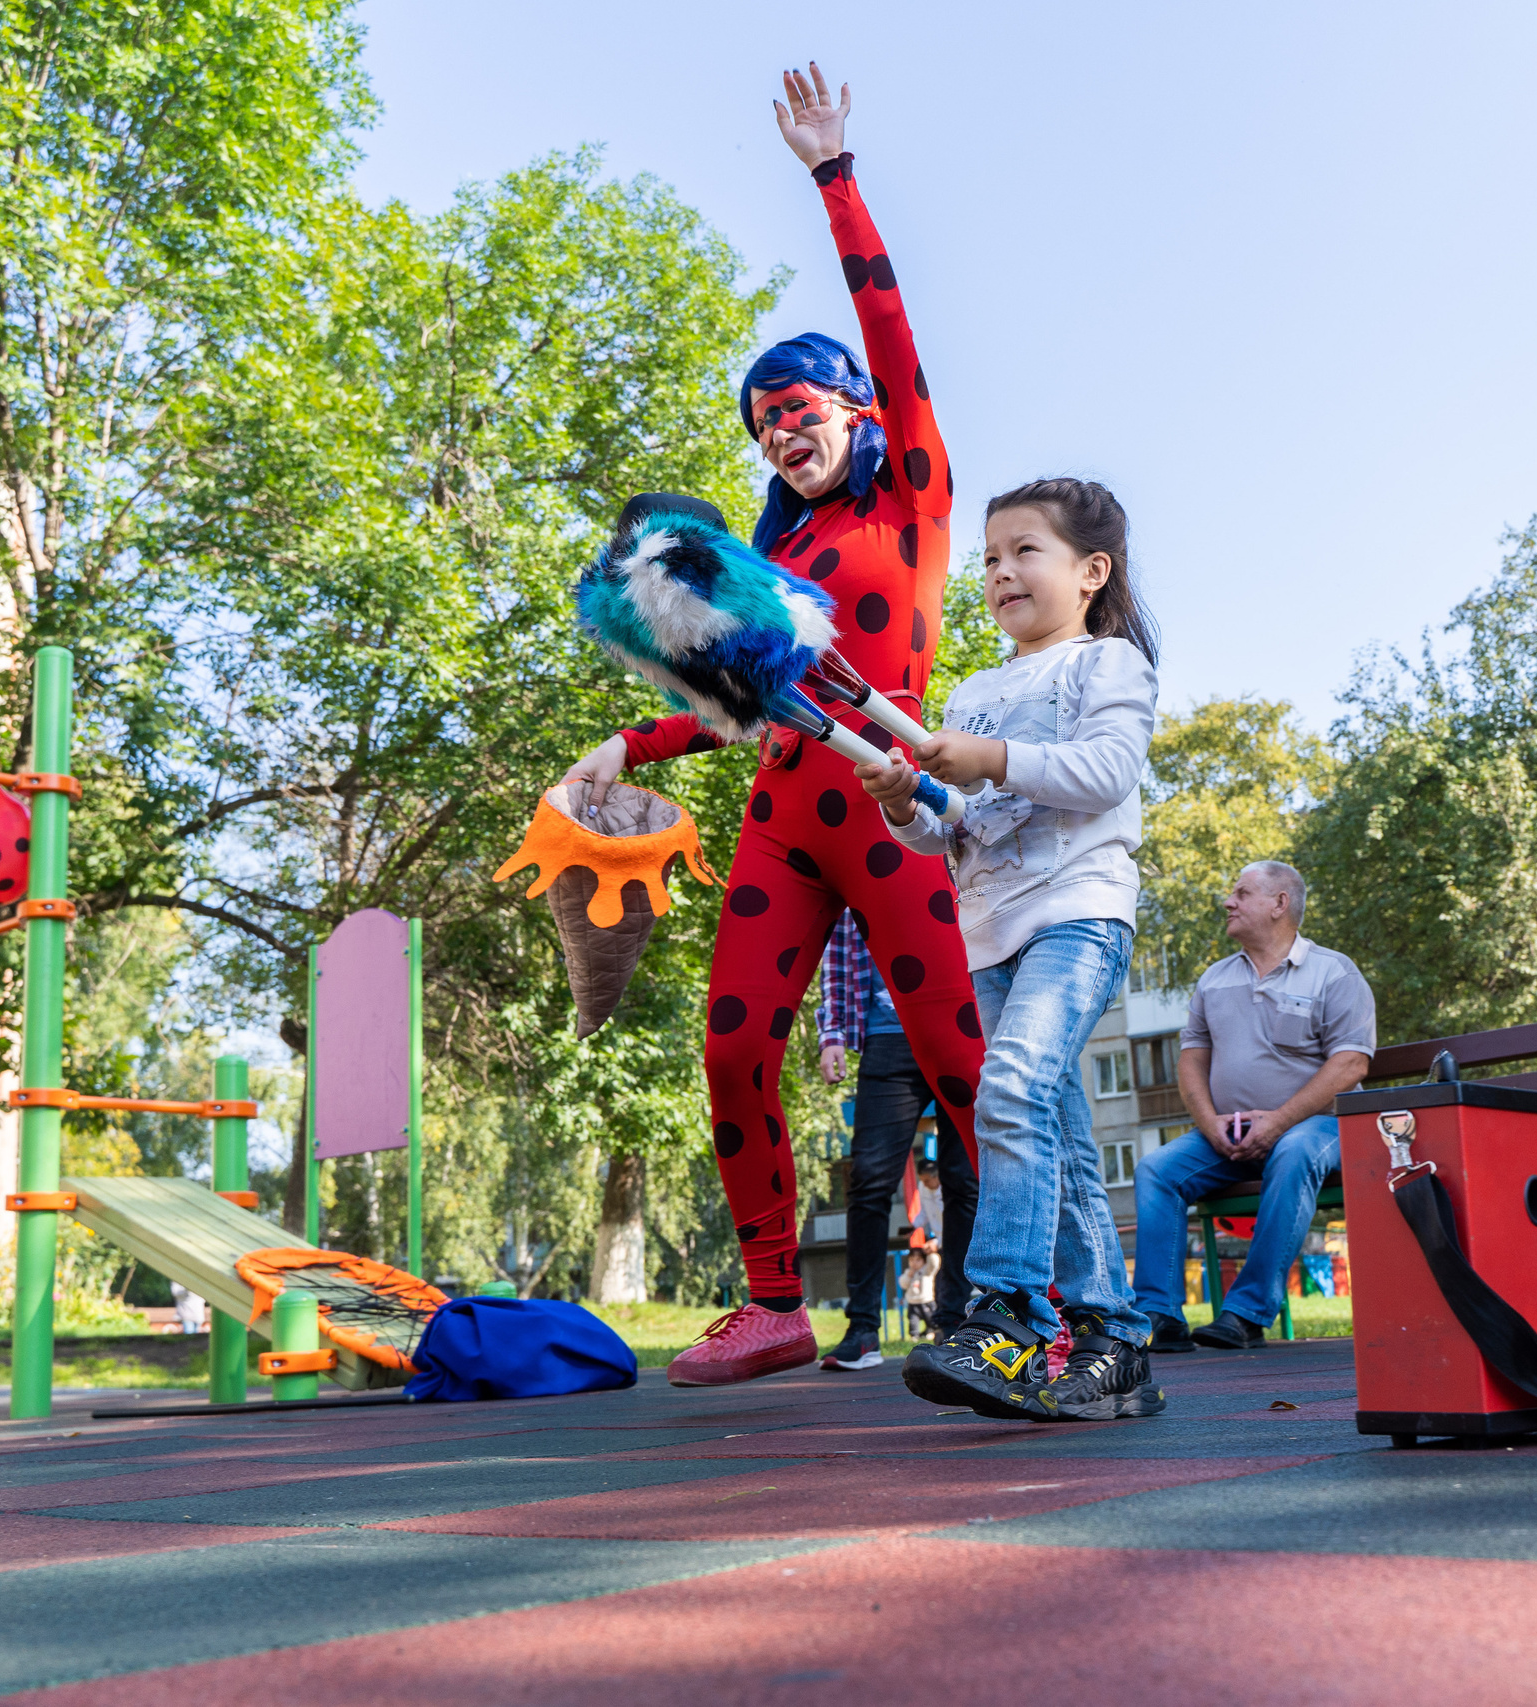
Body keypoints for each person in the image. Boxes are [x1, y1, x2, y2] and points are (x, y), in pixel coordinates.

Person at [559, 65, 981, 1387]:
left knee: (961, 1060)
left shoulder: (911, 496)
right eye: (762, 427)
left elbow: (891, 329)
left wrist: (833, 176)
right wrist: (630, 745)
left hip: (891, 802)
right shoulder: (774, 564)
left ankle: (1038, 1286)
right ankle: (774, 1303)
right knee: (734, 1044)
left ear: (853, 409)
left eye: (797, 410)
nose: (781, 436)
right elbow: (741, 705)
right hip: (788, 815)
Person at [859, 477, 1165, 1422]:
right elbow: (962, 825)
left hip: (1079, 913)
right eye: (990, 557)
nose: (1000, 571)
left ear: (1091, 571)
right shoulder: (975, 692)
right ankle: (1114, 1339)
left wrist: (988, 759)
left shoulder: (1107, 664)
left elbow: (1106, 772)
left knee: (1012, 1086)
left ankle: (1009, 1312)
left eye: (1025, 550)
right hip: (991, 933)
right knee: (1057, 1133)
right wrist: (905, 800)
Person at [1130, 862, 1375, 1352]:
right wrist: (1209, 1124)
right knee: (1156, 1170)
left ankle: (1247, 1313)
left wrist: (1278, 1122)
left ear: (1280, 903)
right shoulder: (1215, 980)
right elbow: (1192, 1061)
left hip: (1321, 1127)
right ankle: (1159, 1315)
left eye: (1242, 893)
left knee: (1294, 1151)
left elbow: (1351, 1064)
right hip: (1230, 1134)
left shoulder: (1332, 971)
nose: (1229, 902)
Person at [815, 909, 977, 1370]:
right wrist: (832, 1032)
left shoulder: (958, 861)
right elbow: (840, 945)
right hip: (888, 1034)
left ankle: (954, 1322)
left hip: (962, 1023)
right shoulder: (864, 870)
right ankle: (863, 1328)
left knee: (965, 1180)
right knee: (868, 1180)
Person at [901, 1248, 938, 1340]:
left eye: (918, 1260)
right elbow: (903, 1284)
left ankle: (931, 1331)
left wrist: (931, 1254)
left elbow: (934, 1264)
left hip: (926, 1300)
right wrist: (908, 1276)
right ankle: (914, 1335)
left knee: (930, 1319)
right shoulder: (908, 1272)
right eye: (911, 1260)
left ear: (924, 1260)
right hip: (913, 1302)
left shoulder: (927, 1270)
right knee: (913, 1320)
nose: (914, 1263)